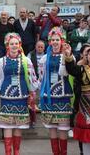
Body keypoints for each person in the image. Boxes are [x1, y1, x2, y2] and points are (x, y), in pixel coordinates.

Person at [0, 33, 38, 155]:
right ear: (7, 45)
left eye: (16, 44)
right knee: (7, 126)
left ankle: (16, 152)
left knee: (18, 127)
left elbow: (32, 78)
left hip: (22, 97)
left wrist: (32, 94)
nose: (14, 46)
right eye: (11, 44)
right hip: (6, 98)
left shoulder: (26, 60)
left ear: (20, 45)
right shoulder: (1, 62)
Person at [39, 27, 73, 155]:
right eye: (52, 40)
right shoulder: (44, 58)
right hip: (49, 97)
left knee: (63, 128)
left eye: (57, 39)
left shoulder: (68, 56)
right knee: (52, 128)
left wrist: (66, 57)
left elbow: (64, 73)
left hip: (63, 96)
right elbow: (42, 77)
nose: (55, 42)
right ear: (49, 42)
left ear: (62, 40)